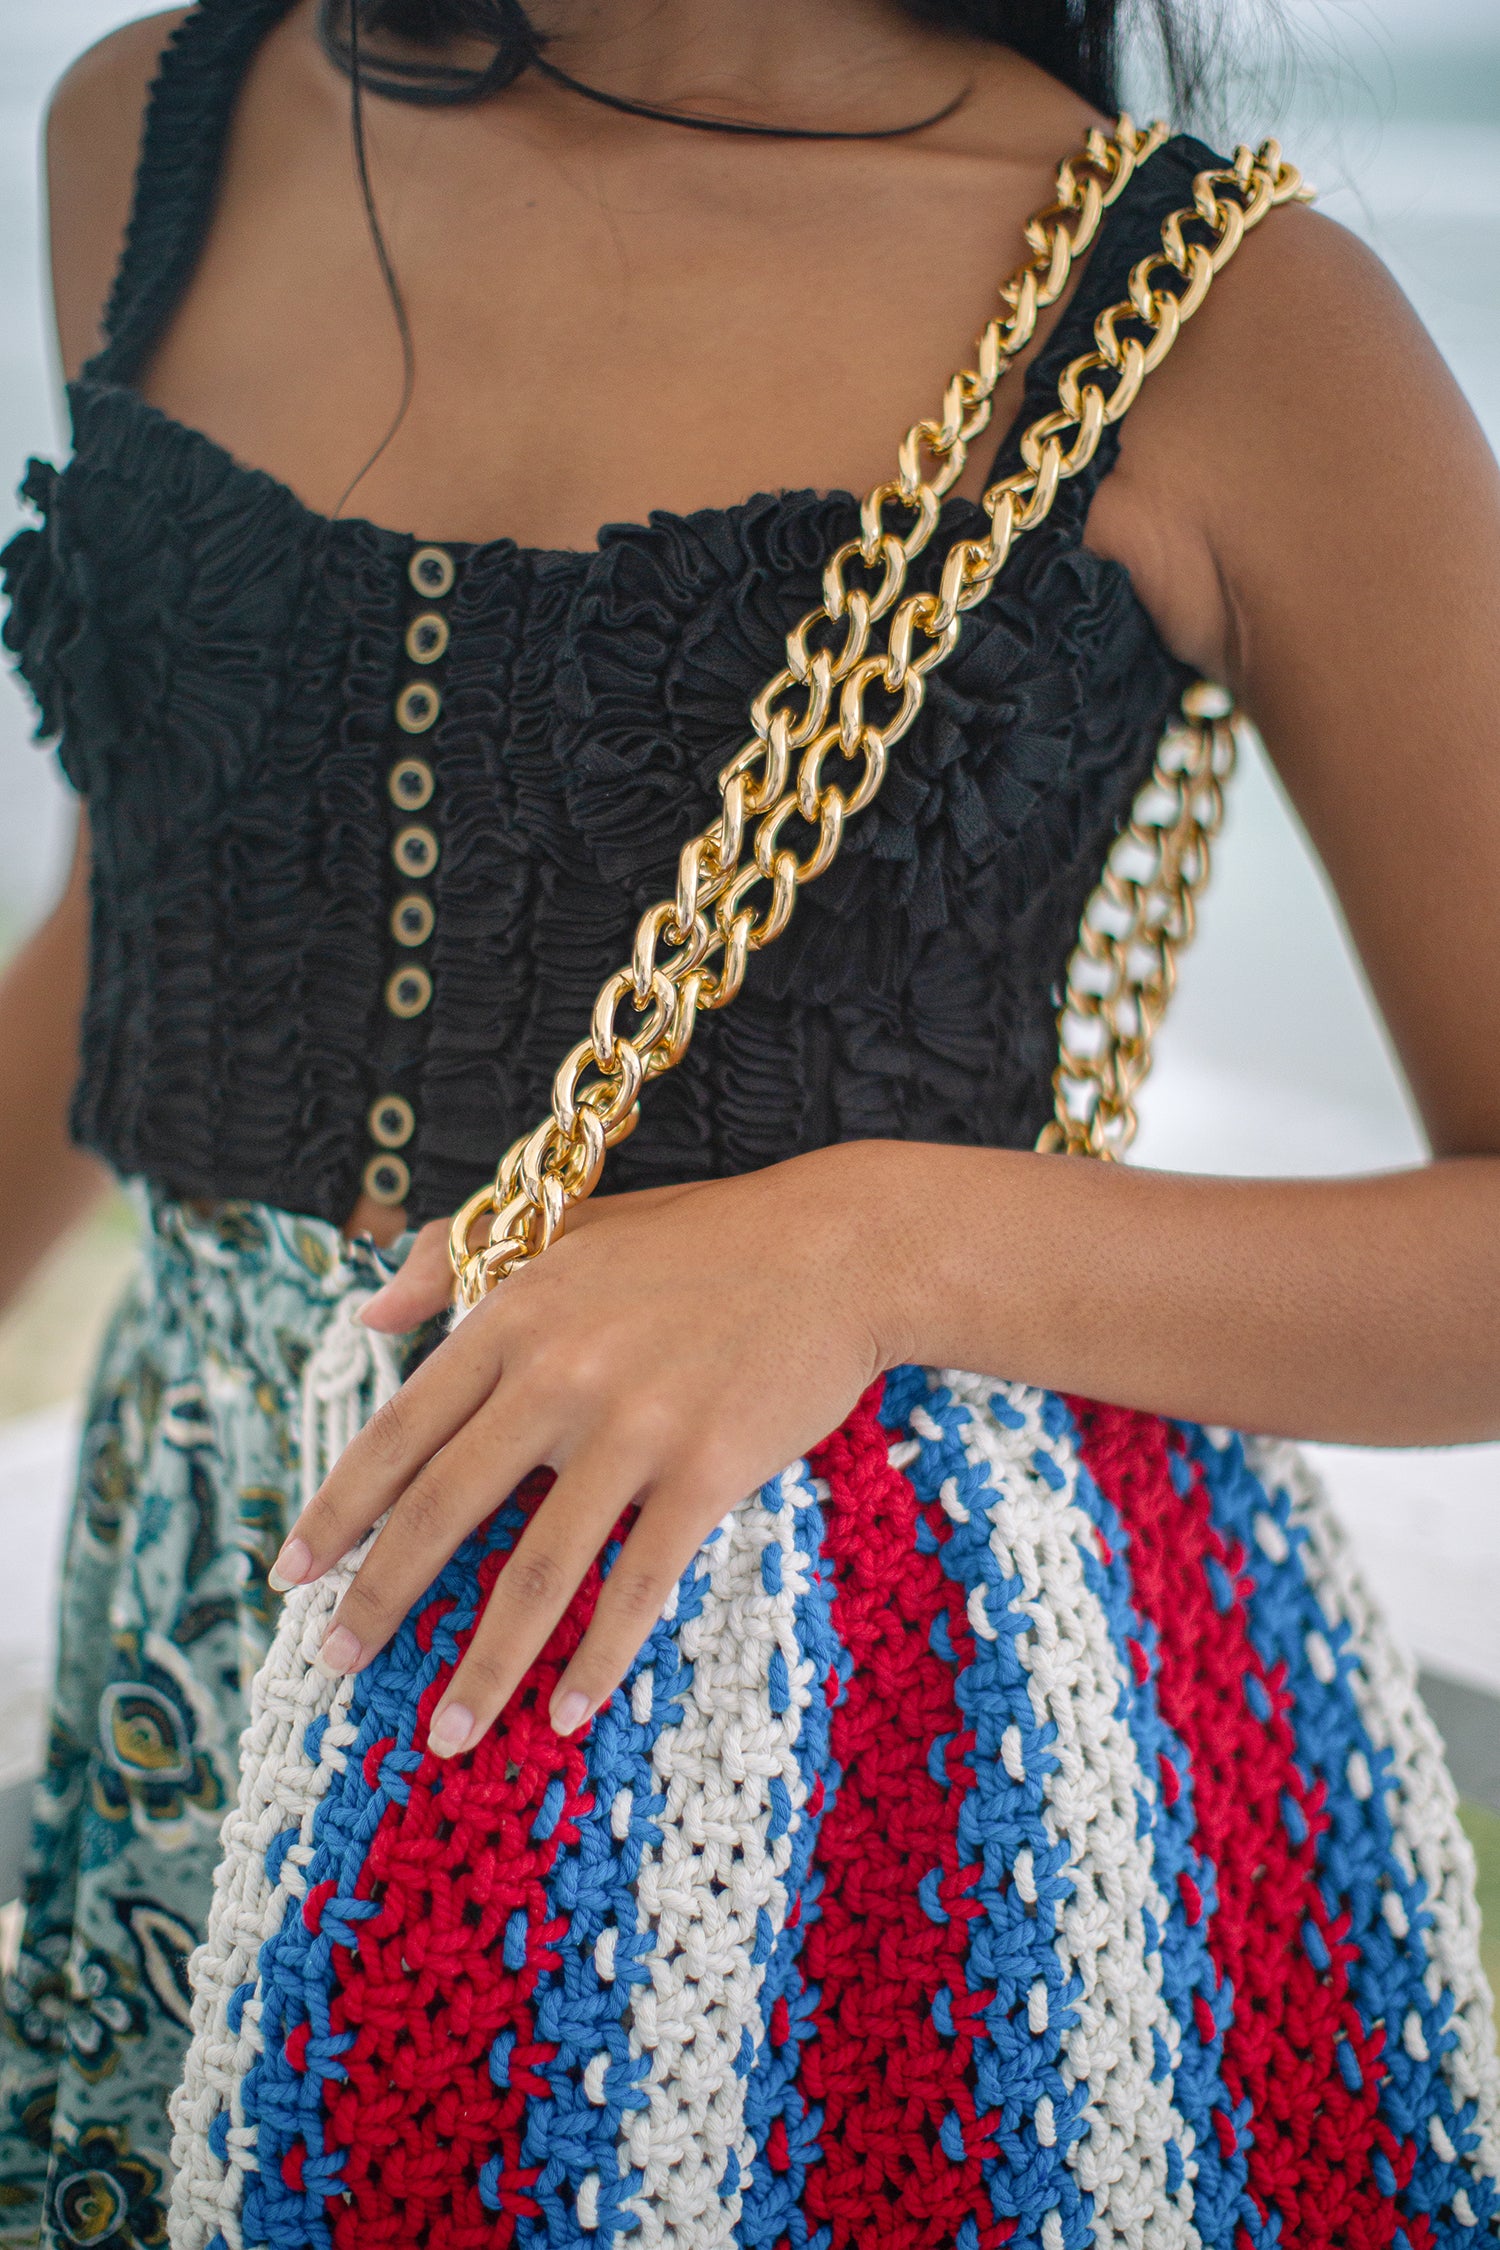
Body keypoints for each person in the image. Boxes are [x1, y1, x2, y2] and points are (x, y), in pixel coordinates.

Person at [1, 0, 1498, 2242]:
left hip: (814, 1749)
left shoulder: (1225, 317)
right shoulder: (155, 124)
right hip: (198, 1635)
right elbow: (146, 893)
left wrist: (872, 1247)